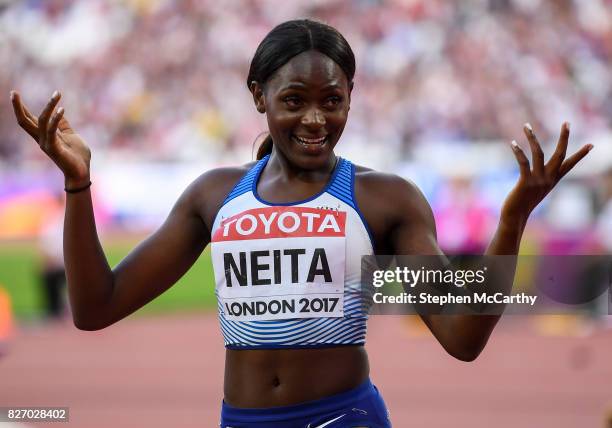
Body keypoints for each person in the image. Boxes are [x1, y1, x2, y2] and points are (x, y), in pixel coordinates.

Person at [10, 19, 592, 428]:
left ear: (350, 99)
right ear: (259, 96)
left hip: (345, 419)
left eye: (332, 101)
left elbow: (462, 338)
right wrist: (78, 185)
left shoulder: (383, 200)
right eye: (294, 101)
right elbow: (95, 308)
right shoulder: (215, 197)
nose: (315, 119)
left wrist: (514, 217)